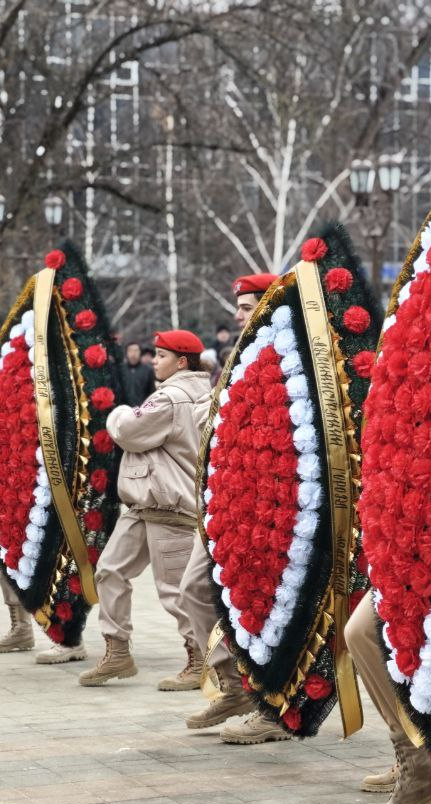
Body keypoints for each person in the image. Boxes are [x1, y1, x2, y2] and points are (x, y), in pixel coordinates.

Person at [78, 329, 213, 688]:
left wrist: (119, 411)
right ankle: (117, 651)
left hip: (170, 506)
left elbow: (128, 430)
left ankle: (201, 659)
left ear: (182, 362)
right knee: (109, 570)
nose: (154, 360)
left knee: (175, 590)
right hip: (146, 504)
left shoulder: (172, 398)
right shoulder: (200, 392)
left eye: (161, 355)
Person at [184, 273, 286, 744]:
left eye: (248, 306)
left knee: (266, 606)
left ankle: (272, 700)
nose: (239, 316)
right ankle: (235, 685)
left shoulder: (283, 354)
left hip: (269, 511)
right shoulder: (238, 358)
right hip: (226, 501)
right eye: (239, 308)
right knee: (195, 589)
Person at [120, 341, 156, 408]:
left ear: (140, 352)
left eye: (136, 350)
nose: (133, 353)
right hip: (124, 410)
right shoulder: (120, 369)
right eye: (130, 351)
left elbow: (151, 392)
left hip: (142, 410)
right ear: (126, 353)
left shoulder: (148, 370)